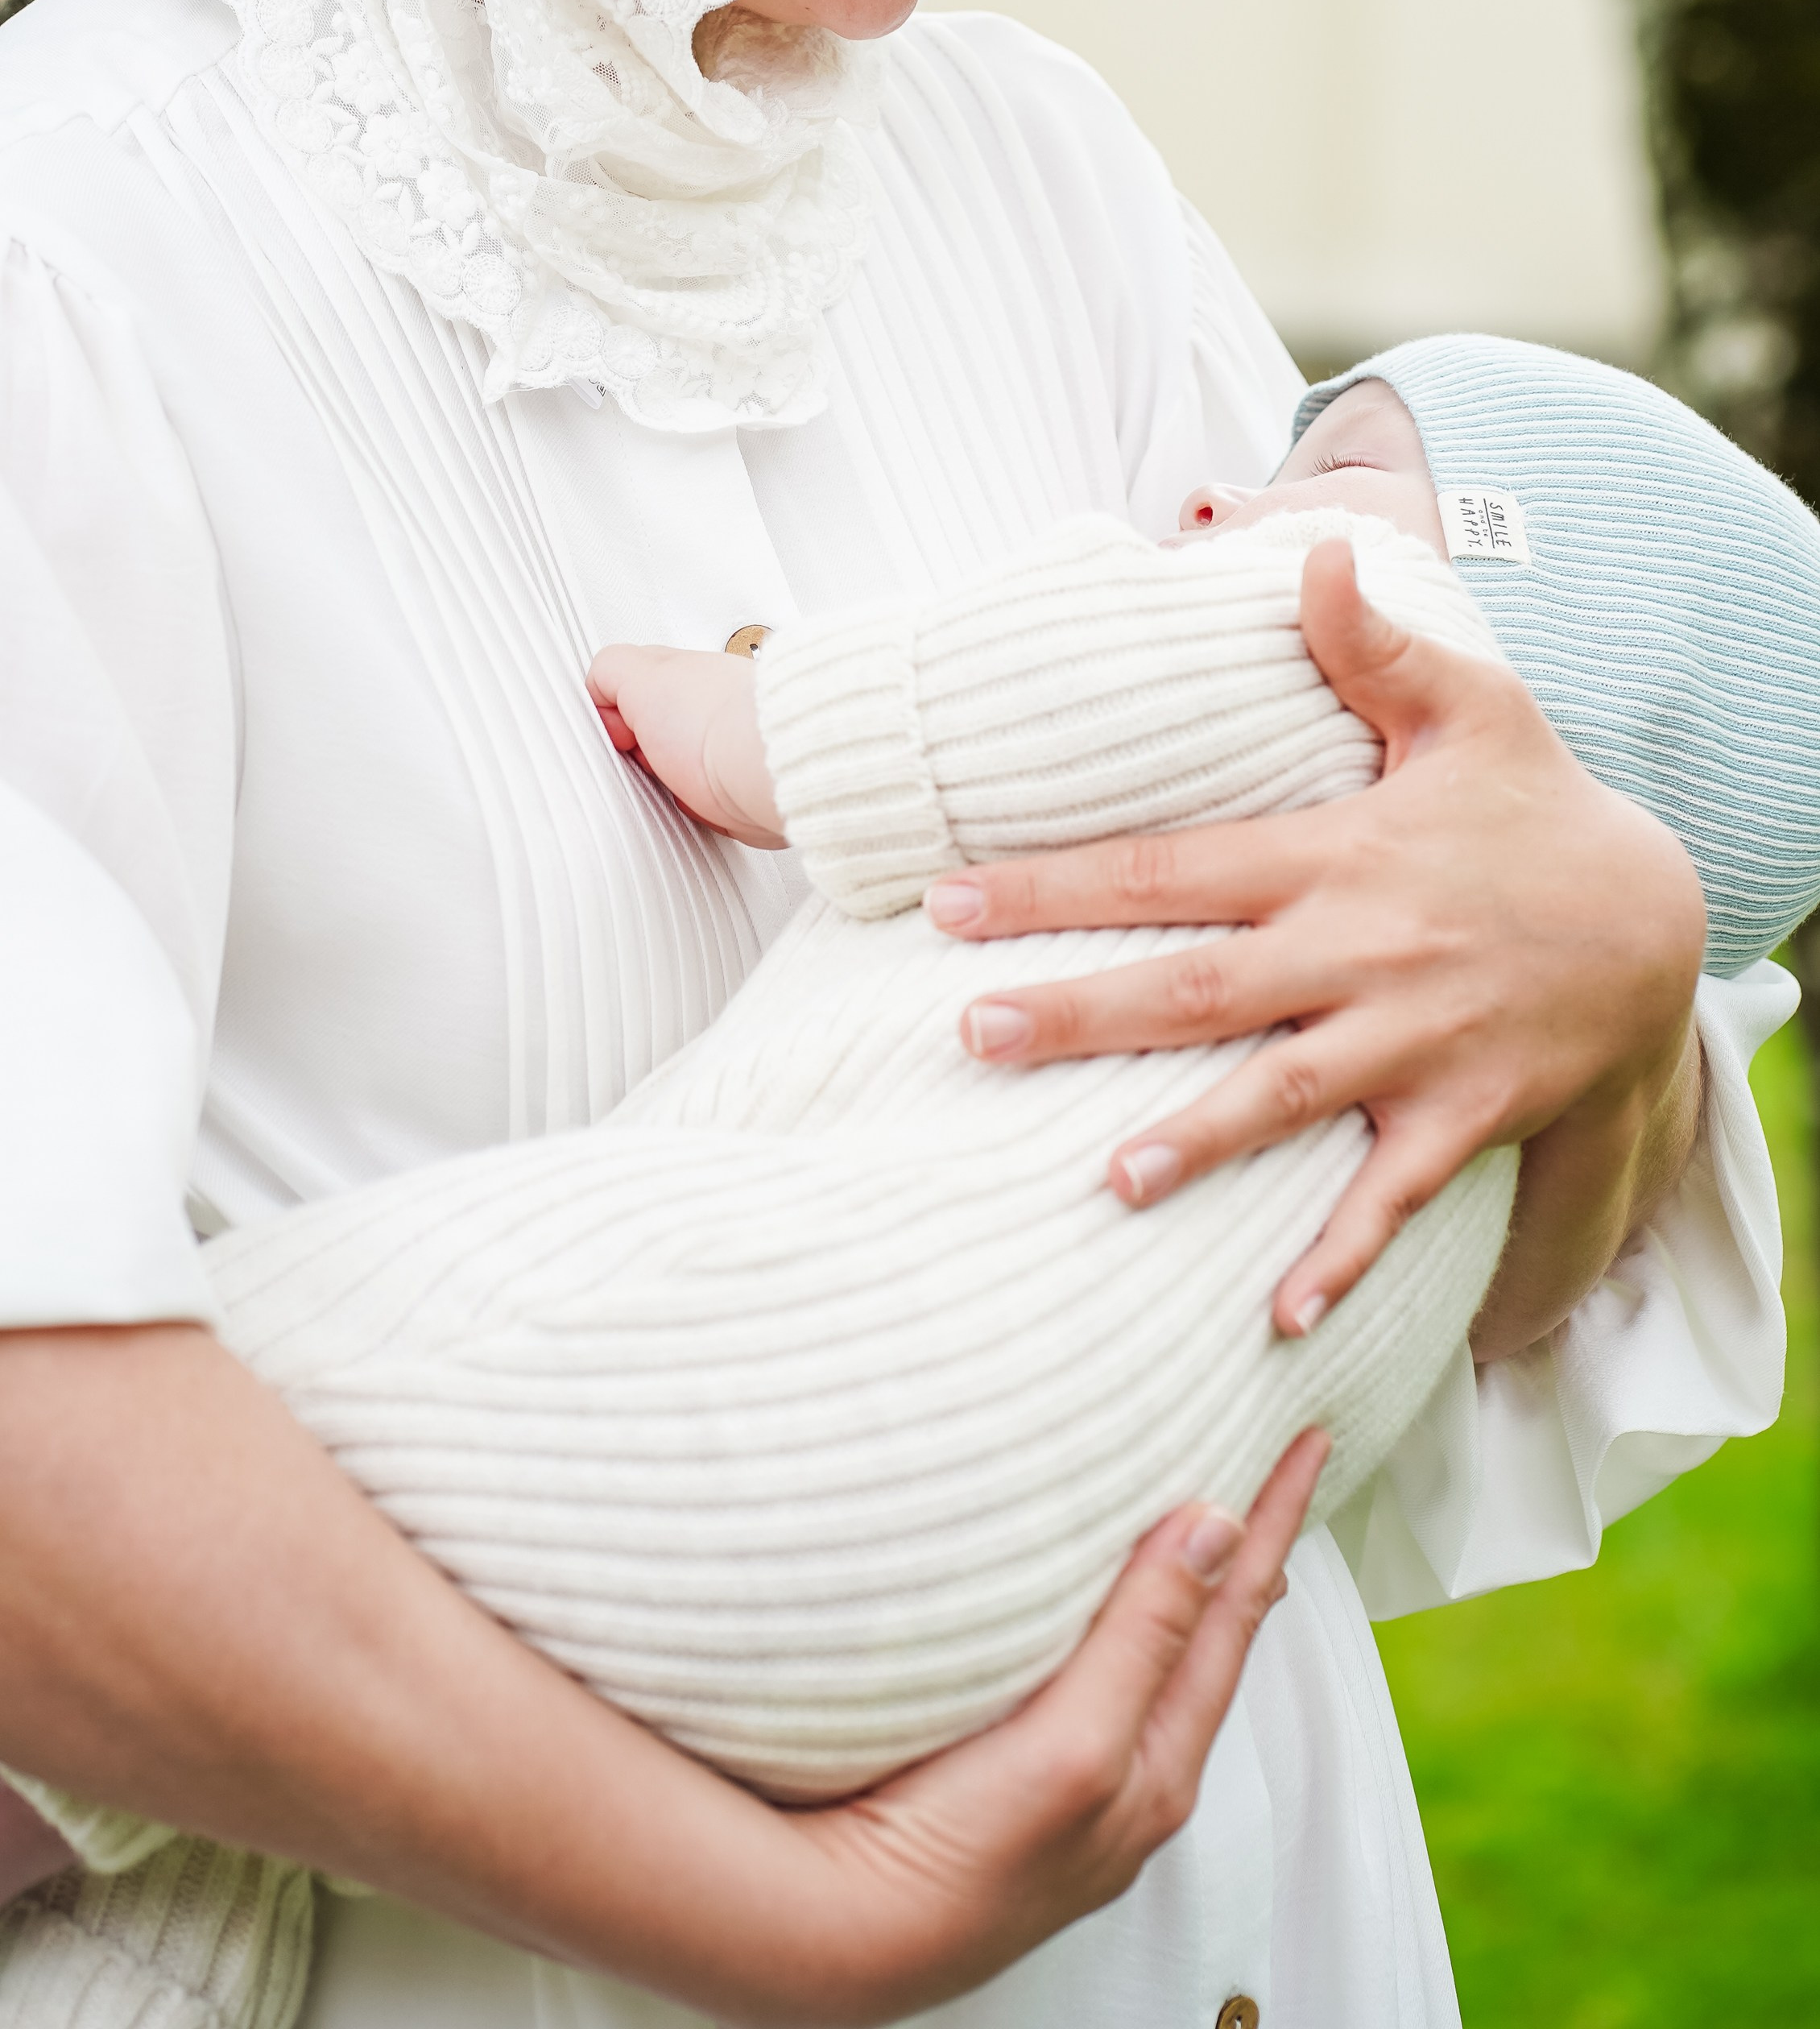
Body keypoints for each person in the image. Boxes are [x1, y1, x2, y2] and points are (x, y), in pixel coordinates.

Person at [0, 0, 1793, 2029]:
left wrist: (1604, 989)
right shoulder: (81, 250)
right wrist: (796, 1915)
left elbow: (1352, 1231)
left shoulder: (1027, 175)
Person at [10, 329, 1818, 2029]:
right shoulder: (78, 264)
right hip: (983, 1637)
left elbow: (1054, 687)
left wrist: (773, 726)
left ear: (1507, 590)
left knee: (288, 1389)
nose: (1208, 510)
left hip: (745, 1429)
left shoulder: (1366, 642)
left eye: (1325, 462)